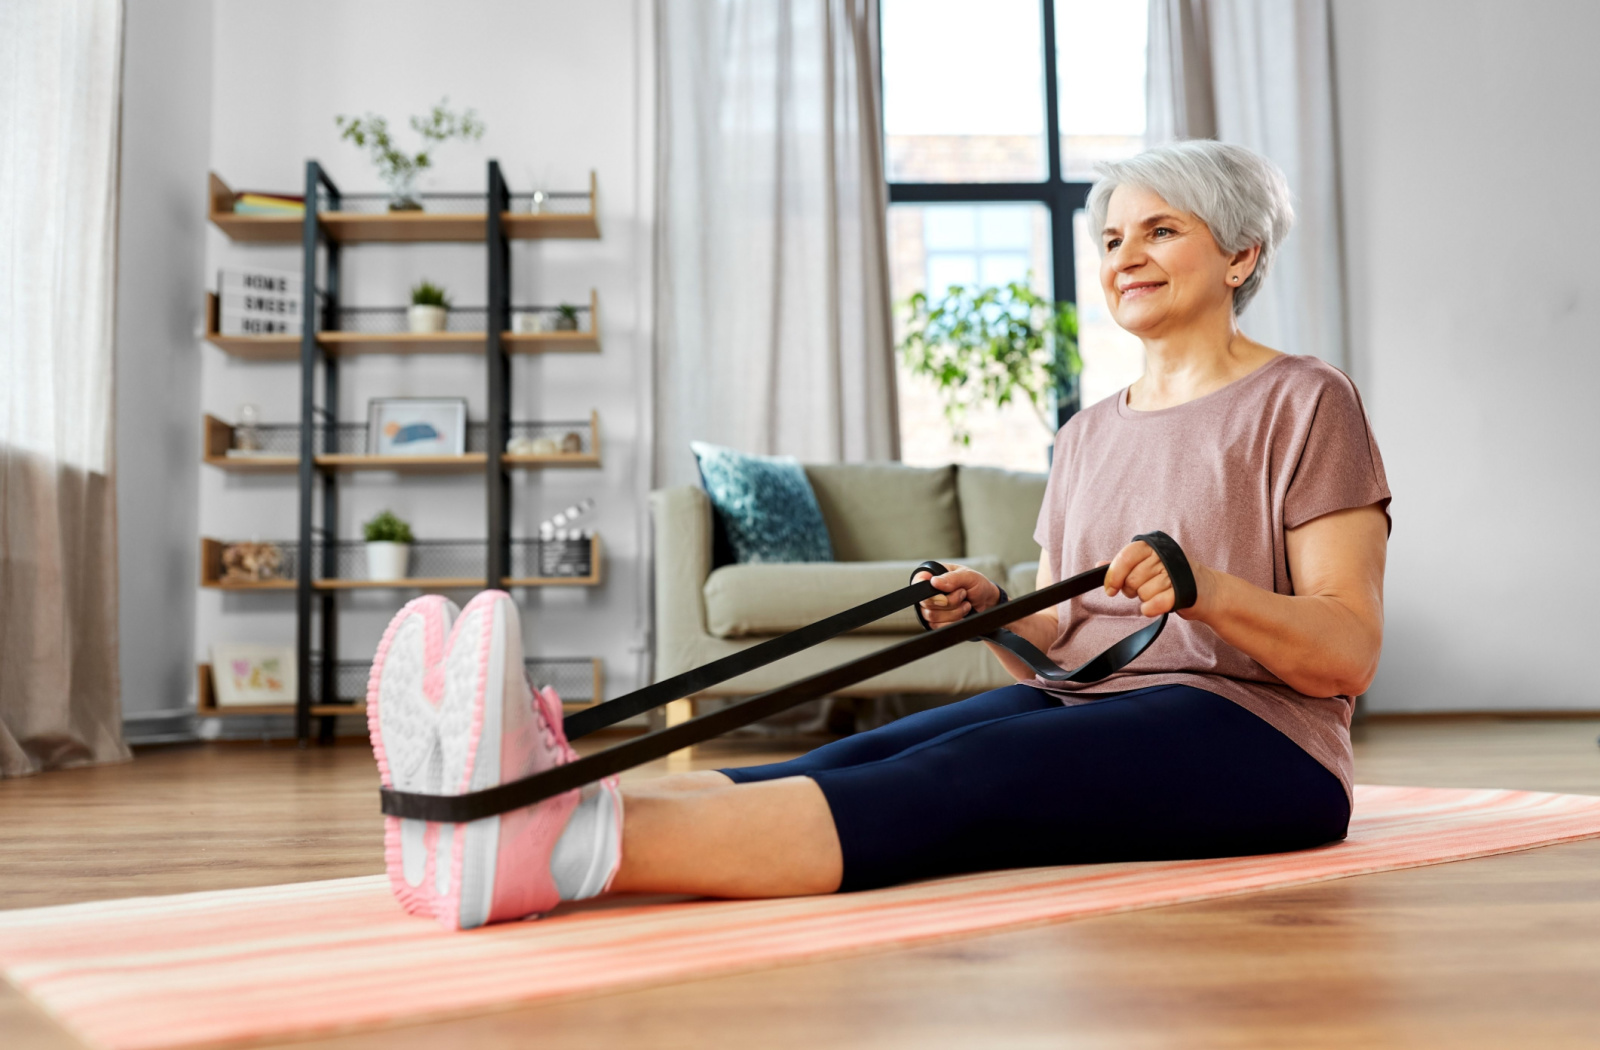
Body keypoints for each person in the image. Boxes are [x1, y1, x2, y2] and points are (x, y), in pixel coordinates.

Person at [368, 140, 1392, 930]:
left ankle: (569, 847)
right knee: (850, 760)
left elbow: (1344, 652)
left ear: (1241, 253)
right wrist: (994, 617)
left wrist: (1204, 587)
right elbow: (1066, 656)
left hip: (1262, 746)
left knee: (966, 782)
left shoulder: (1303, 401)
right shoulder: (1084, 433)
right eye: (1113, 238)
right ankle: (511, 803)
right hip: (1094, 707)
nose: (1126, 256)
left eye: (1160, 232)